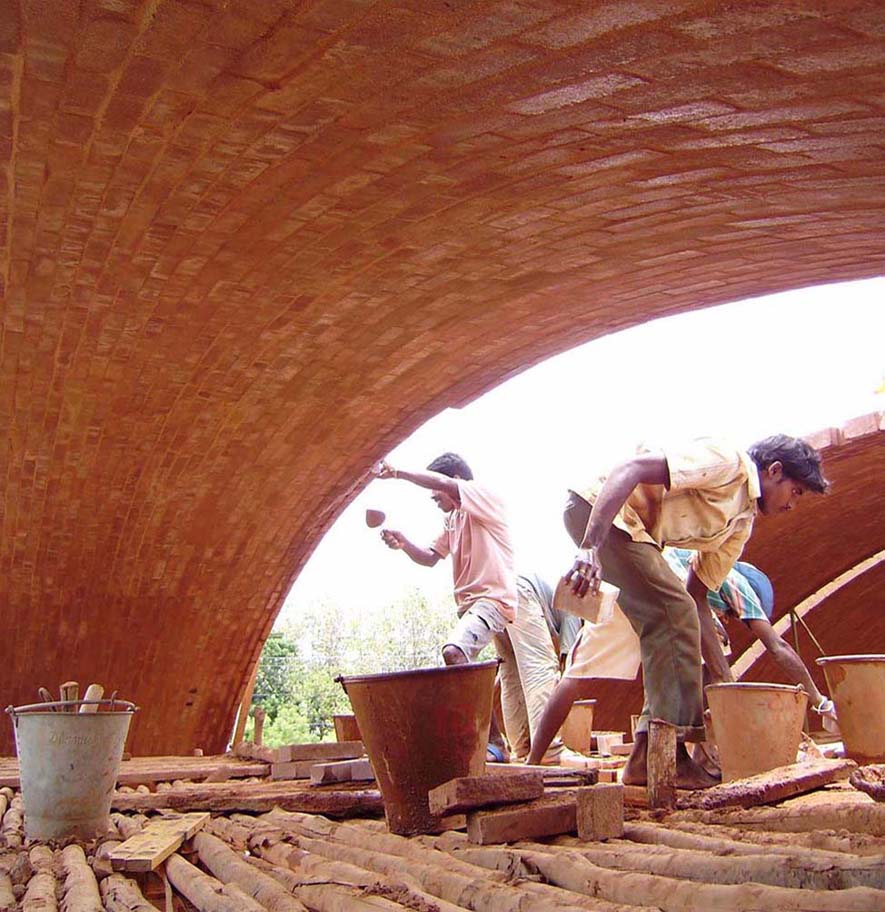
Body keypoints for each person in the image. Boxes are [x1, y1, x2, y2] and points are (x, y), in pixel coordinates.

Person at [561, 434, 829, 789]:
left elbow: (698, 596)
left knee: (671, 617)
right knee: (674, 612)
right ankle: (667, 753)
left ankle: (648, 753)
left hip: (635, 536)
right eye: (795, 491)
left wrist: (725, 683)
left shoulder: (740, 526)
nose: (793, 504)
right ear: (774, 470)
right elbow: (631, 468)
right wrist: (589, 547)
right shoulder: (729, 464)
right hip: (599, 510)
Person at [526, 553, 836, 766]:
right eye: (730, 615)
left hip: (627, 592)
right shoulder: (739, 584)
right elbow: (777, 646)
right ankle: (705, 753)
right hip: (660, 601)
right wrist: (821, 701)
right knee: (712, 658)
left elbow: (683, 589)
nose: (728, 620)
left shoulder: (697, 563)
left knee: (576, 676)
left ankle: (533, 760)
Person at [372, 453, 521, 760]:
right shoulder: (453, 518)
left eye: (436, 493)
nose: (433, 498)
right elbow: (429, 557)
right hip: (470, 606)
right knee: (485, 669)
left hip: (492, 599)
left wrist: (398, 471)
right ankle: (491, 739)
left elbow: (444, 485)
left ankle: (494, 742)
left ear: (454, 479)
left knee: (454, 652)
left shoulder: (482, 498)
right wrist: (403, 544)